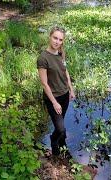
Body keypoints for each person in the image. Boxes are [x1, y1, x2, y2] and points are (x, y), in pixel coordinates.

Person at [37, 26, 75, 156]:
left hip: (64, 95)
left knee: (61, 124)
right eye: (55, 38)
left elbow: (65, 72)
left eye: (60, 39)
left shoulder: (61, 53)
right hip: (53, 98)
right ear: (50, 37)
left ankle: (62, 144)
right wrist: (54, 102)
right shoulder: (43, 58)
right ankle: (54, 141)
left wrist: (71, 88)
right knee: (60, 128)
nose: (57, 42)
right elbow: (44, 83)